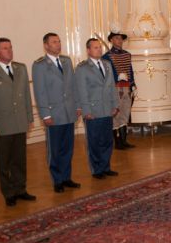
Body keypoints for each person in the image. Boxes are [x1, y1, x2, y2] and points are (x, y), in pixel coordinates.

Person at [0, 38, 35, 207]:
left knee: (20, 159)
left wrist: (29, 118)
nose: (9, 50)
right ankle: (8, 193)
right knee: (4, 162)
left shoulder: (21, 68)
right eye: (5, 48)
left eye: (10, 47)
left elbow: (26, 95)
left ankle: (20, 189)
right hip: (2, 124)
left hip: (19, 121)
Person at [32, 33, 81, 193]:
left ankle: (66, 177)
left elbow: (73, 86)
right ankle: (57, 180)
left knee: (68, 147)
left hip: (69, 112)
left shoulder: (66, 61)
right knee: (55, 149)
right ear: (46, 45)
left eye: (59, 41)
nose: (58, 44)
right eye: (54, 42)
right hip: (54, 114)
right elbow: (40, 92)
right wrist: (45, 114)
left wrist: (77, 106)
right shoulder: (40, 65)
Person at [76, 38, 120, 179]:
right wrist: (86, 111)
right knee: (94, 142)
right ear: (88, 50)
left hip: (107, 109)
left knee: (107, 140)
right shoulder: (82, 68)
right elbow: (81, 91)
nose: (99, 49)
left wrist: (115, 105)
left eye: (100, 47)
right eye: (95, 47)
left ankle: (106, 167)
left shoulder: (107, 64)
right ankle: (97, 170)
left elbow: (112, 86)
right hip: (93, 111)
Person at [102, 25, 136, 150]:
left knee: (125, 114)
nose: (119, 40)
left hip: (126, 88)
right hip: (115, 89)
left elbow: (130, 71)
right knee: (116, 116)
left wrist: (133, 85)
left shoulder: (127, 54)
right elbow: (105, 76)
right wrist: (117, 77)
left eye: (121, 38)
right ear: (111, 40)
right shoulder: (106, 57)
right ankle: (117, 143)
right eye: (116, 38)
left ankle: (124, 141)